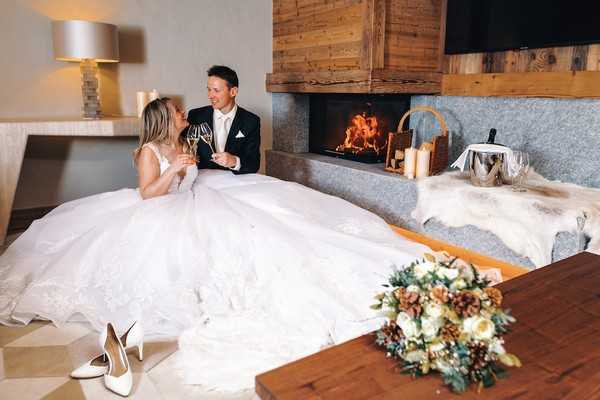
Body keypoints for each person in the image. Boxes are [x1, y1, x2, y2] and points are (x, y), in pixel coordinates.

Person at [0, 97, 429, 392]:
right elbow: (148, 193)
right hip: (160, 214)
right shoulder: (150, 149)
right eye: (178, 110)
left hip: (195, 201)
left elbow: (194, 173)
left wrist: (197, 166)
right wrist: (173, 172)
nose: (186, 112)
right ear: (164, 118)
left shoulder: (183, 141)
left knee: (264, 221)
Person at [187, 65, 261, 174]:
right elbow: (184, 148)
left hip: (234, 183)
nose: (210, 95)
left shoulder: (251, 121)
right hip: (202, 180)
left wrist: (234, 161)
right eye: (209, 90)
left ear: (233, 92)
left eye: (216, 90)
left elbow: (253, 164)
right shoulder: (196, 116)